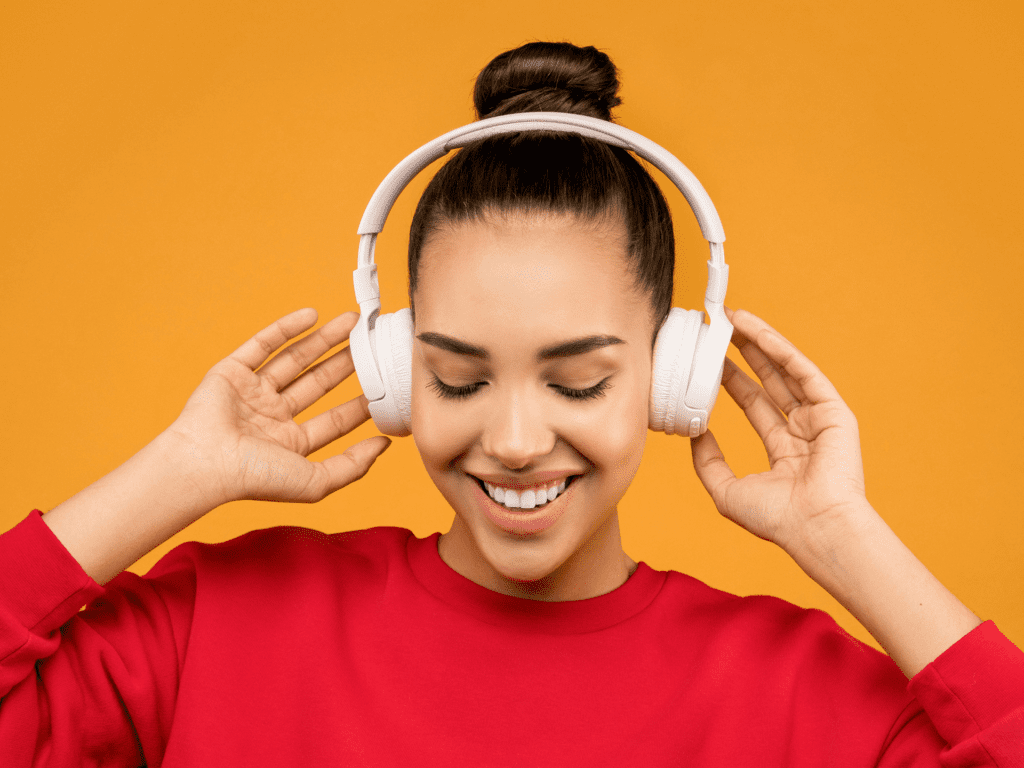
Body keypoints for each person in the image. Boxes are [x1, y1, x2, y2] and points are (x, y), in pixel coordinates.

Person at [1, 41, 1020, 766]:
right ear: (394, 370)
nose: (517, 440)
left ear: (674, 374)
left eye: (578, 381)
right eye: (456, 378)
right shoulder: (214, 625)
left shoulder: (798, 694)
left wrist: (845, 536)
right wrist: (170, 476)